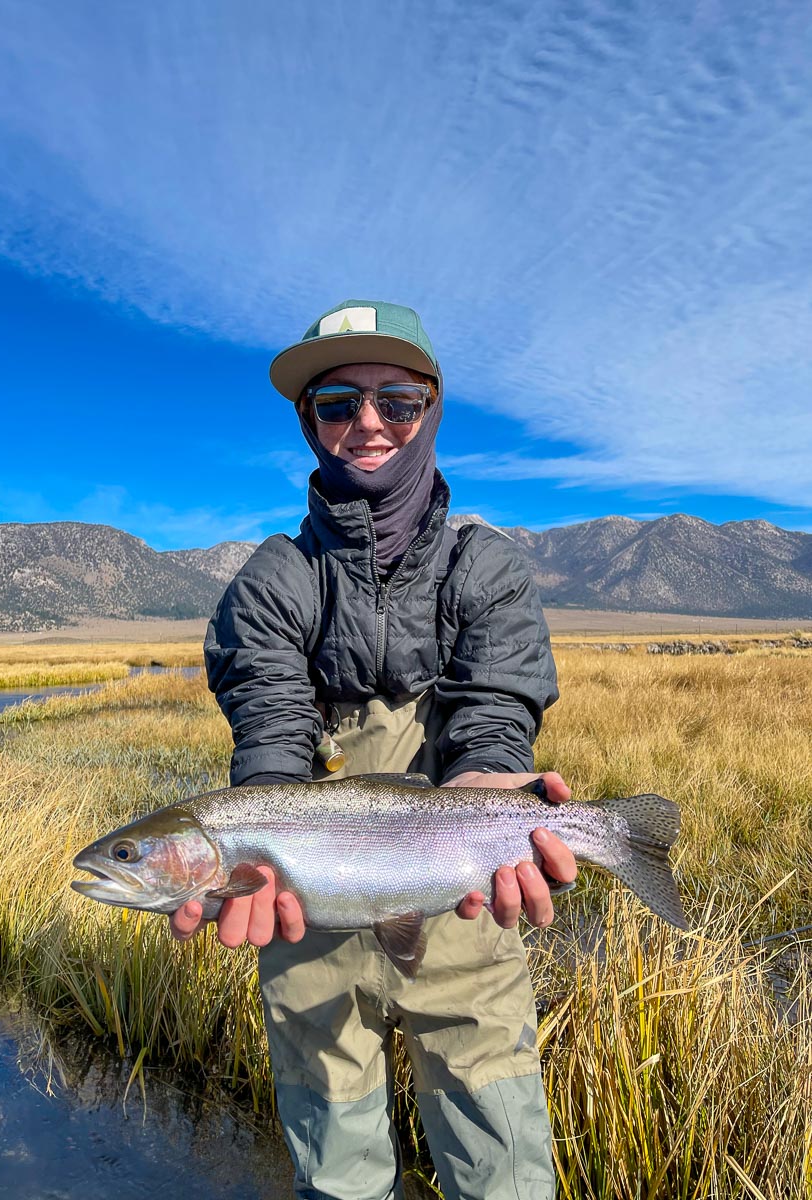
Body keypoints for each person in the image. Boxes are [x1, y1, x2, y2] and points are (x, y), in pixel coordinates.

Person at [170, 300, 577, 1200]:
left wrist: (489, 789)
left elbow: (493, 719)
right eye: (337, 404)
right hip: (304, 904)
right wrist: (257, 853)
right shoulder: (272, 581)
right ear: (306, 422)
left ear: (431, 410)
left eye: (396, 400)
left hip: (460, 885)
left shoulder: (489, 568)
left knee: (501, 1166)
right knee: (337, 1171)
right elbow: (273, 740)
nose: (368, 424)